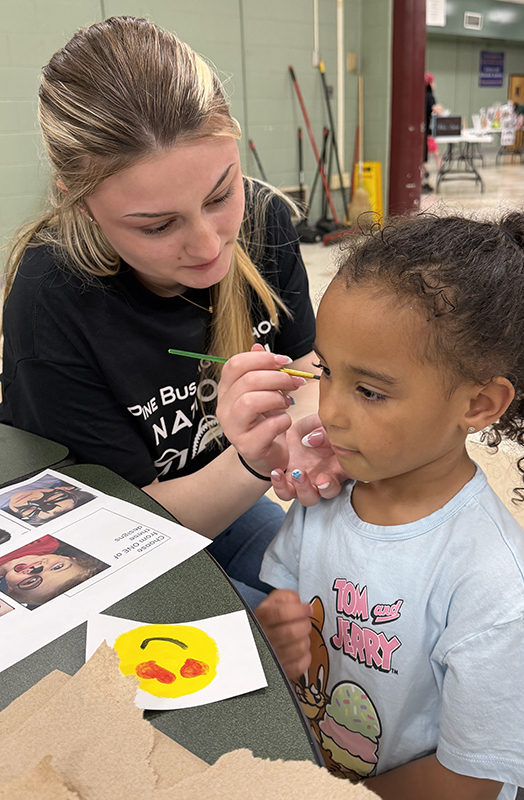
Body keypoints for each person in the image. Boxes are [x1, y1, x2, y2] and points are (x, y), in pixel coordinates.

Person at [225, 212, 524, 798]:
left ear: (479, 403)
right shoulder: (328, 498)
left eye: (370, 391)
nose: (331, 411)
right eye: (326, 372)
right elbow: (290, 603)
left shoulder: (490, 585)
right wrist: (280, 626)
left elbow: (468, 779)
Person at [0, 17, 343, 608]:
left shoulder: (264, 220)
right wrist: (254, 463)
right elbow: (121, 529)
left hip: (226, 493)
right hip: (112, 539)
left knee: (338, 606)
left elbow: (305, 369)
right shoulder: (51, 296)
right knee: (269, 651)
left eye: (220, 194)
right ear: (75, 200)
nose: (210, 246)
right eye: (157, 225)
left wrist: (308, 434)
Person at [0, 535, 109, 609]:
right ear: (70, 558)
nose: (38, 569)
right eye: (57, 567)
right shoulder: (48, 541)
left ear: (11, 590)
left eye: (31, 581)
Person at [2, 482, 95, 526]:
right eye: (49, 499)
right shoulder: (47, 479)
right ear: (66, 488)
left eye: (32, 510)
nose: (28, 502)